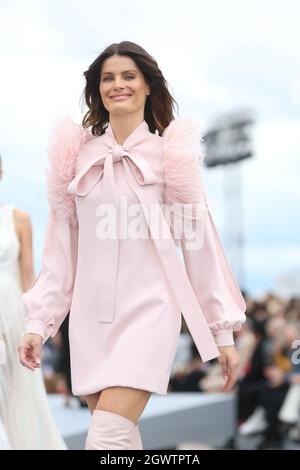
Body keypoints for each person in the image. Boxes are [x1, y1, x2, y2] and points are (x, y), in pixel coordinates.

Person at [18, 41, 247, 450]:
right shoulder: (76, 159)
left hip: (150, 311)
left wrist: (222, 332)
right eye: (108, 78)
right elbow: (61, 255)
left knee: (106, 436)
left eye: (128, 76)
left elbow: (200, 248)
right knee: (119, 439)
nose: (117, 85)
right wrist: (39, 323)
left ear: (147, 87)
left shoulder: (170, 157)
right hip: (89, 321)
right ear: (97, 89)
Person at [0, 156, 66, 449]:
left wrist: (45, 320)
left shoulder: (20, 219)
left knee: (18, 393)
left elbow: (29, 278)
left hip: (13, 313)